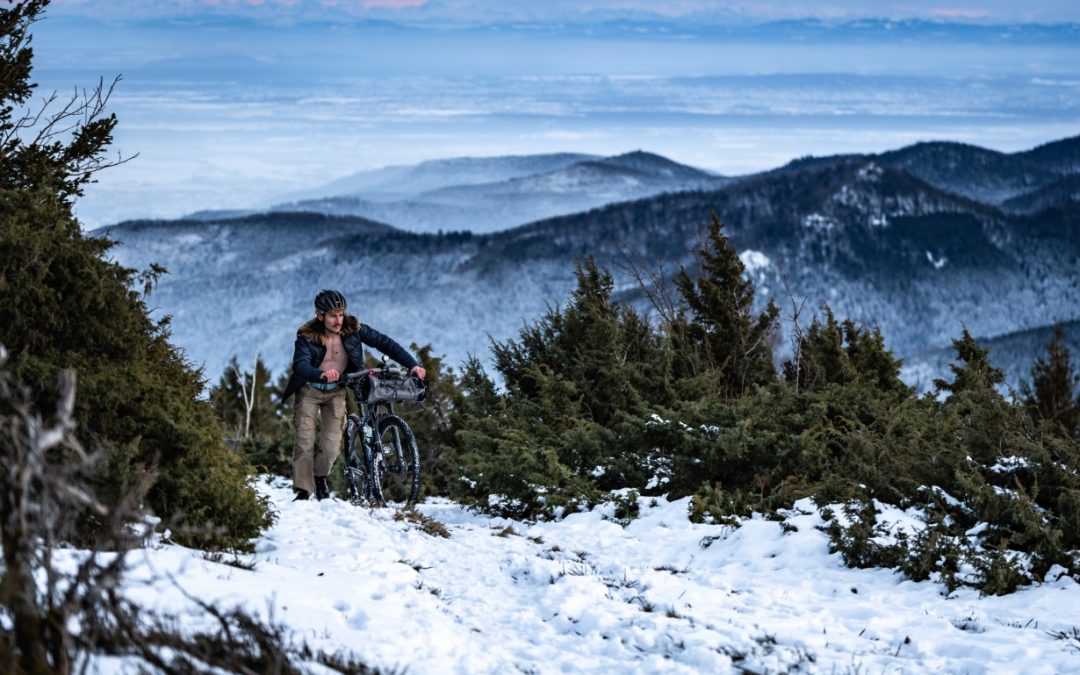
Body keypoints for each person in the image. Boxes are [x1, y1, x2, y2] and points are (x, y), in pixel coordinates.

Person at [283, 289, 426, 501]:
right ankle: (304, 491)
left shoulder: (353, 329)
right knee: (304, 442)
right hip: (309, 391)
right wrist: (320, 374)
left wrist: (413, 364)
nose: (338, 320)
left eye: (340, 314)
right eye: (332, 315)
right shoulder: (307, 336)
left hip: (336, 392)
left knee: (331, 447)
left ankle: (320, 476)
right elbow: (300, 365)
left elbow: (384, 343)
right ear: (320, 315)